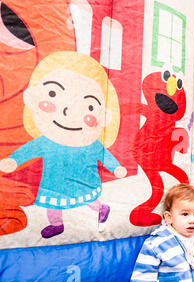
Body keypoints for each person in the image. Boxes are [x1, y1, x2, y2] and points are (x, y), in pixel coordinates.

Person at [0, 51, 126, 238]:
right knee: (53, 204)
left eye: (89, 107)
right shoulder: (47, 141)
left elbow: (105, 155)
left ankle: (102, 208)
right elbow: (29, 149)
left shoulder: (91, 143)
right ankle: (57, 225)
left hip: (84, 181)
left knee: (90, 200)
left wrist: (115, 168)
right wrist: (14, 160)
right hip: (54, 182)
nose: (69, 113)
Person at [127, 183, 194, 282]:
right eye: (185, 214)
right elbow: (143, 279)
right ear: (169, 217)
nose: (192, 220)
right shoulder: (157, 244)